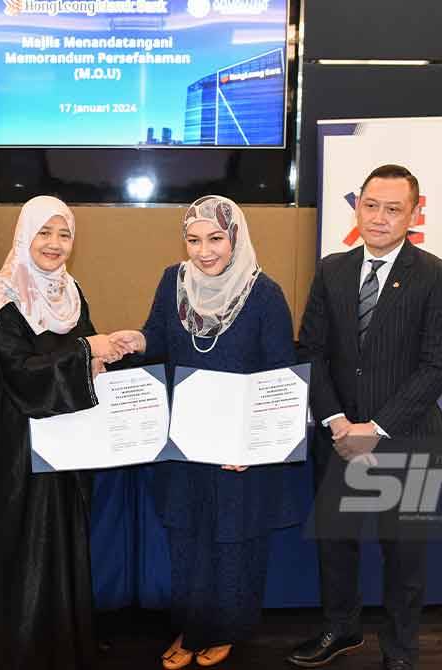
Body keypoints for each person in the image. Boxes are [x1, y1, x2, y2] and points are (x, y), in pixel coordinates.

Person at [110, 195, 300, 669]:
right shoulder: (172, 282)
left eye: (215, 238)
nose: (204, 251)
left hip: (235, 448)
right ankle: (192, 628)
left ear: (235, 237)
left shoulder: (265, 294)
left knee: (232, 543)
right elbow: (157, 337)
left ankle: (225, 630)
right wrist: (137, 340)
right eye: (193, 240)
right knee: (187, 540)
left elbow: (279, 377)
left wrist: (253, 443)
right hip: (185, 440)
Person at [286, 165, 442, 670]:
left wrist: (376, 429)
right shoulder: (332, 269)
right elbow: (311, 349)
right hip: (338, 437)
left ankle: (402, 650)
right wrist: (338, 421)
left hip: (405, 438)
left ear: (414, 213)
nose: (380, 218)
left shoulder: (438, 275)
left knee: (404, 555)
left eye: (393, 209)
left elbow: (437, 365)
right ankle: (340, 629)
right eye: (371, 205)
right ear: (357, 206)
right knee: (336, 545)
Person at [0, 195, 126, 670]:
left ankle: (66, 641)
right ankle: (23, 649)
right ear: (25, 235)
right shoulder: (5, 294)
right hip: (22, 447)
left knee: (65, 538)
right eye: (45, 233)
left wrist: (105, 355)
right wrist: (87, 350)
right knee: (27, 543)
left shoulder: (69, 289)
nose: (55, 244)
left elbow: (83, 347)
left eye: (64, 235)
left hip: (69, 441)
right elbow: (20, 371)